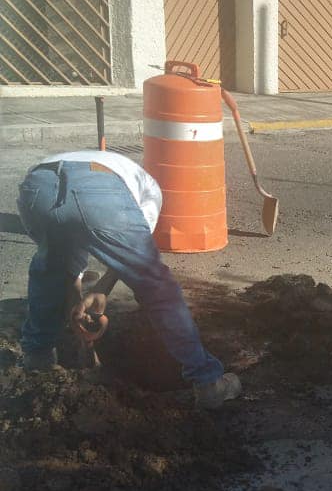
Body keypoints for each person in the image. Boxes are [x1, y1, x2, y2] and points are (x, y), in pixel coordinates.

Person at [17, 151, 241, 409]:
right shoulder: (151, 191)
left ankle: (38, 359)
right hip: (99, 191)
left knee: (50, 273)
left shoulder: (116, 171)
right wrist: (98, 292)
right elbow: (134, 261)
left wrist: (91, 295)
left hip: (37, 190)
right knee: (158, 287)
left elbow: (68, 269)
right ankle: (208, 383)